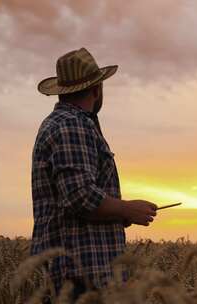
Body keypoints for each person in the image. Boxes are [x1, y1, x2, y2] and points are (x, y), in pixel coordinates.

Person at [31, 48, 158, 302]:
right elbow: (80, 197)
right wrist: (126, 209)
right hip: (80, 273)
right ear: (97, 89)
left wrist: (120, 213)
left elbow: (76, 197)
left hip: (79, 271)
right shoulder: (71, 125)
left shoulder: (67, 123)